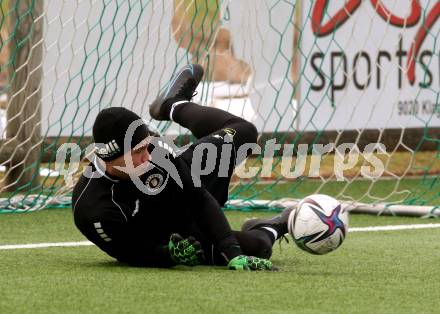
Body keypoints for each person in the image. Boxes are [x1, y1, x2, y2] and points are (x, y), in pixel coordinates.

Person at [72, 64, 292, 270]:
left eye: (147, 147)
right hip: (176, 235)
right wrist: (169, 254)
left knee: (244, 133)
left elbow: (198, 197)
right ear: (111, 156)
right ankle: (280, 223)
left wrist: (232, 252)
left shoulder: (155, 151)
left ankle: (172, 104)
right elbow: (131, 252)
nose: (147, 158)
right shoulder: (93, 210)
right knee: (259, 247)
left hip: (184, 188)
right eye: (138, 152)